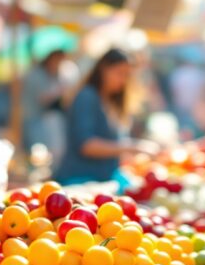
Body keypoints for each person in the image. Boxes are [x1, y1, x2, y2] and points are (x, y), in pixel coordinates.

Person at [56, 49, 151, 184]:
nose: (123, 80)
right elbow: (86, 145)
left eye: (127, 75)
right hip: (81, 179)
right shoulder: (86, 97)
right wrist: (131, 147)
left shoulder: (111, 100)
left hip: (105, 178)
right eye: (119, 73)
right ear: (103, 70)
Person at [22, 50, 67, 151]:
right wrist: (61, 91)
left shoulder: (53, 75)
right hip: (33, 119)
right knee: (37, 151)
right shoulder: (37, 74)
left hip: (42, 121)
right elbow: (43, 98)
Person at [169, 58, 205, 138]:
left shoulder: (178, 74)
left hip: (183, 107)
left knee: (186, 129)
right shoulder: (199, 74)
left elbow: (174, 91)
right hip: (194, 107)